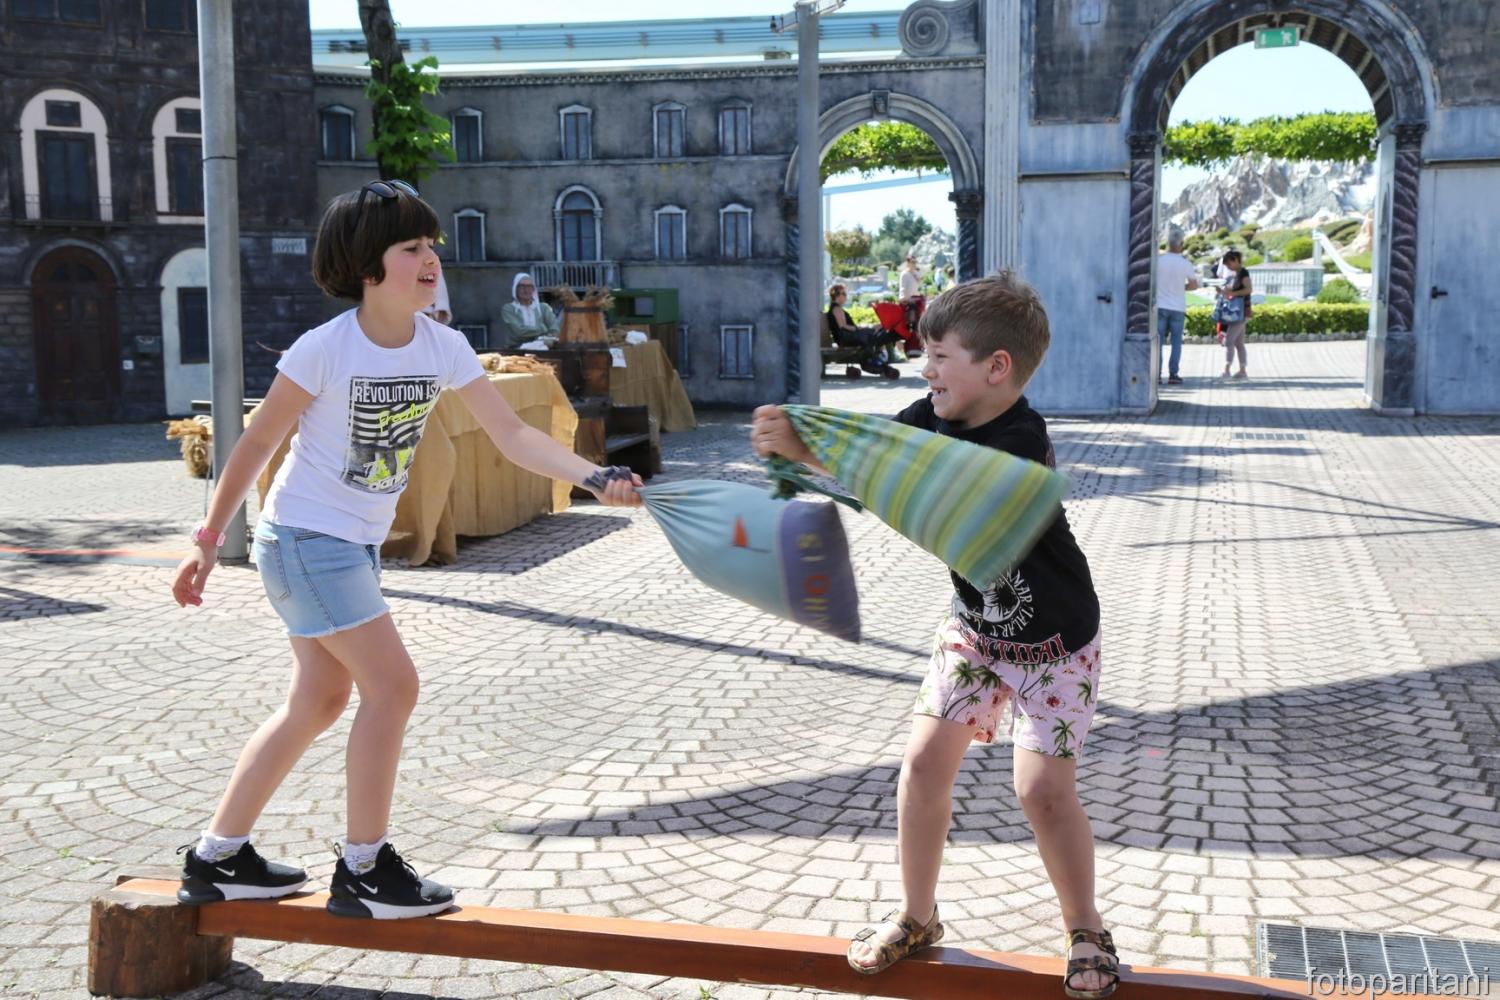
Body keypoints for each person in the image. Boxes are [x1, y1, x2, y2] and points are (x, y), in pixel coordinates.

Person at [169, 179, 641, 921]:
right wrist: (205, 540)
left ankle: (217, 857)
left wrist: (595, 475)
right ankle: (364, 870)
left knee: (318, 700)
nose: (430, 259)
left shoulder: (441, 345)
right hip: (306, 540)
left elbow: (512, 435)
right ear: (367, 266)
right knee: (393, 688)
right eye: (411, 247)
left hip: (346, 546)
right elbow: (256, 443)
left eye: (432, 246)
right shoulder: (325, 349)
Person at [750, 272, 1116, 1000]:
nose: (925, 371)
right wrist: (799, 440)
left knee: (1042, 793)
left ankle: (1085, 927)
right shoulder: (930, 415)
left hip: (1056, 645)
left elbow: (925, 489)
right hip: (977, 632)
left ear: (997, 367)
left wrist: (813, 449)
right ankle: (918, 916)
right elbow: (875, 457)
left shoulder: (1020, 440)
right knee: (921, 767)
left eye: (940, 356)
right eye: (925, 355)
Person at [1156, 229, 1199, 385]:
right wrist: (1182, 288)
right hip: (1178, 307)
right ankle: (1173, 374)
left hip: (1160, 305)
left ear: (1168, 243)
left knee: (1158, 341)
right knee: (1176, 342)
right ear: (1181, 245)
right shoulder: (1185, 263)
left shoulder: (1159, 261)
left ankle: (1156, 374)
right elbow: (1193, 285)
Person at [826, 283, 902, 369]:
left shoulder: (837, 308)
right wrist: (858, 328)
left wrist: (862, 328)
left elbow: (844, 327)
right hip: (846, 338)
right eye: (843, 293)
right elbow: (842, 327)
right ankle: (880, 358)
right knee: (876, 331)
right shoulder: (836, 309)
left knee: (878, 329)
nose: (845, 296)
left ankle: (881, 357)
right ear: (837, 295)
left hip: (848, 336)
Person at [500, 272, 560, 348]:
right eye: (522, 286)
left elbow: (555, 329)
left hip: (542, 345)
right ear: (516, 288)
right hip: (516, 348)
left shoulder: (543, 308)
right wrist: (543, 329)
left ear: (533, 289)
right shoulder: (509, 309)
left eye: (529, 286)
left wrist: (545, 338)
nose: (526, 290)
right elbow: (519, 331)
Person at [1217, 250, 1252, 379]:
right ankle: (1242, 370)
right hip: (1241, 312)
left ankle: (1227, 369)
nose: (1228, 267)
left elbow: (1248, 289)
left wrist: (1232, 293)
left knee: (1229, 341)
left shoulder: (1243, 273)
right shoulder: (1237, 274)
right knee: (1239, 343)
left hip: (1240, 312)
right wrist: (1225, 291)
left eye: (1229, 264)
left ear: (1236, 260)